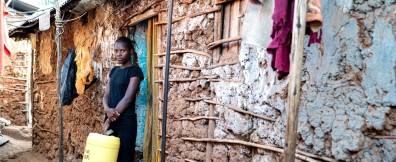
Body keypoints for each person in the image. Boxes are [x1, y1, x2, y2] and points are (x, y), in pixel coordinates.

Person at [102, 36, 144, 162]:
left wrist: (109, 120)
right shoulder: (114, 70)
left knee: (124, 157)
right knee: (109, 157)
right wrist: (106, 110)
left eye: (122, 51)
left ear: (130, 51)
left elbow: (128, 98)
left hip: (126, 122)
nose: (118, 54)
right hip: (110, 117)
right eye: (116, 51)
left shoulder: (135, 71)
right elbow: (106, 94)